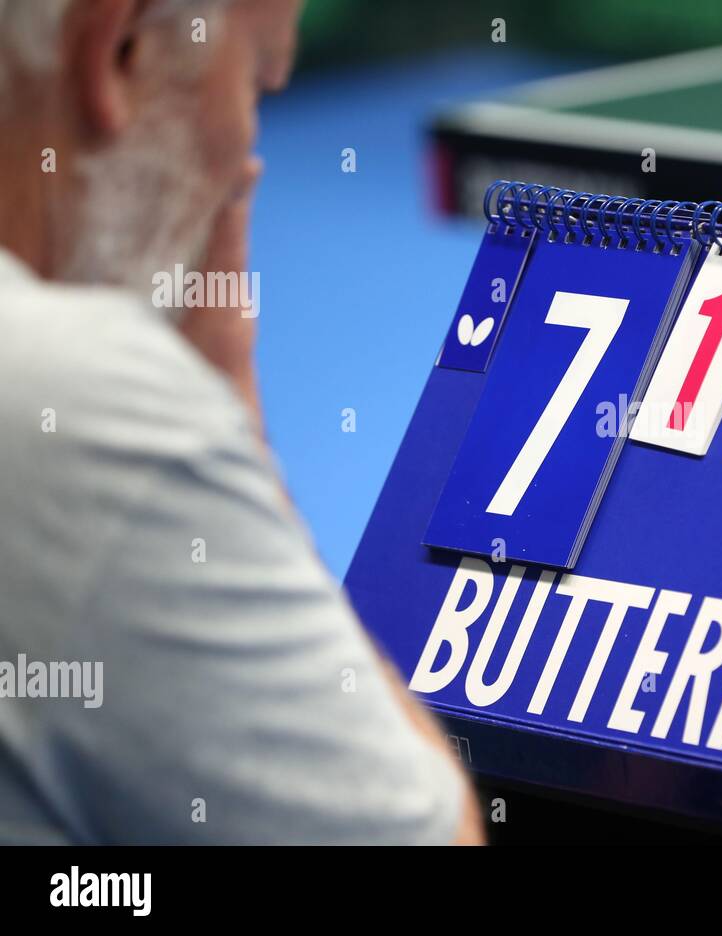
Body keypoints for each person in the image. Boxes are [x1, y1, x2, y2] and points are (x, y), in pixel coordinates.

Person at [0, 0, 482, 844]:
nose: (245, 151)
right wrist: (225, 410)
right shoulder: (84, 407)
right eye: (255, 80)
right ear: (115, 49)